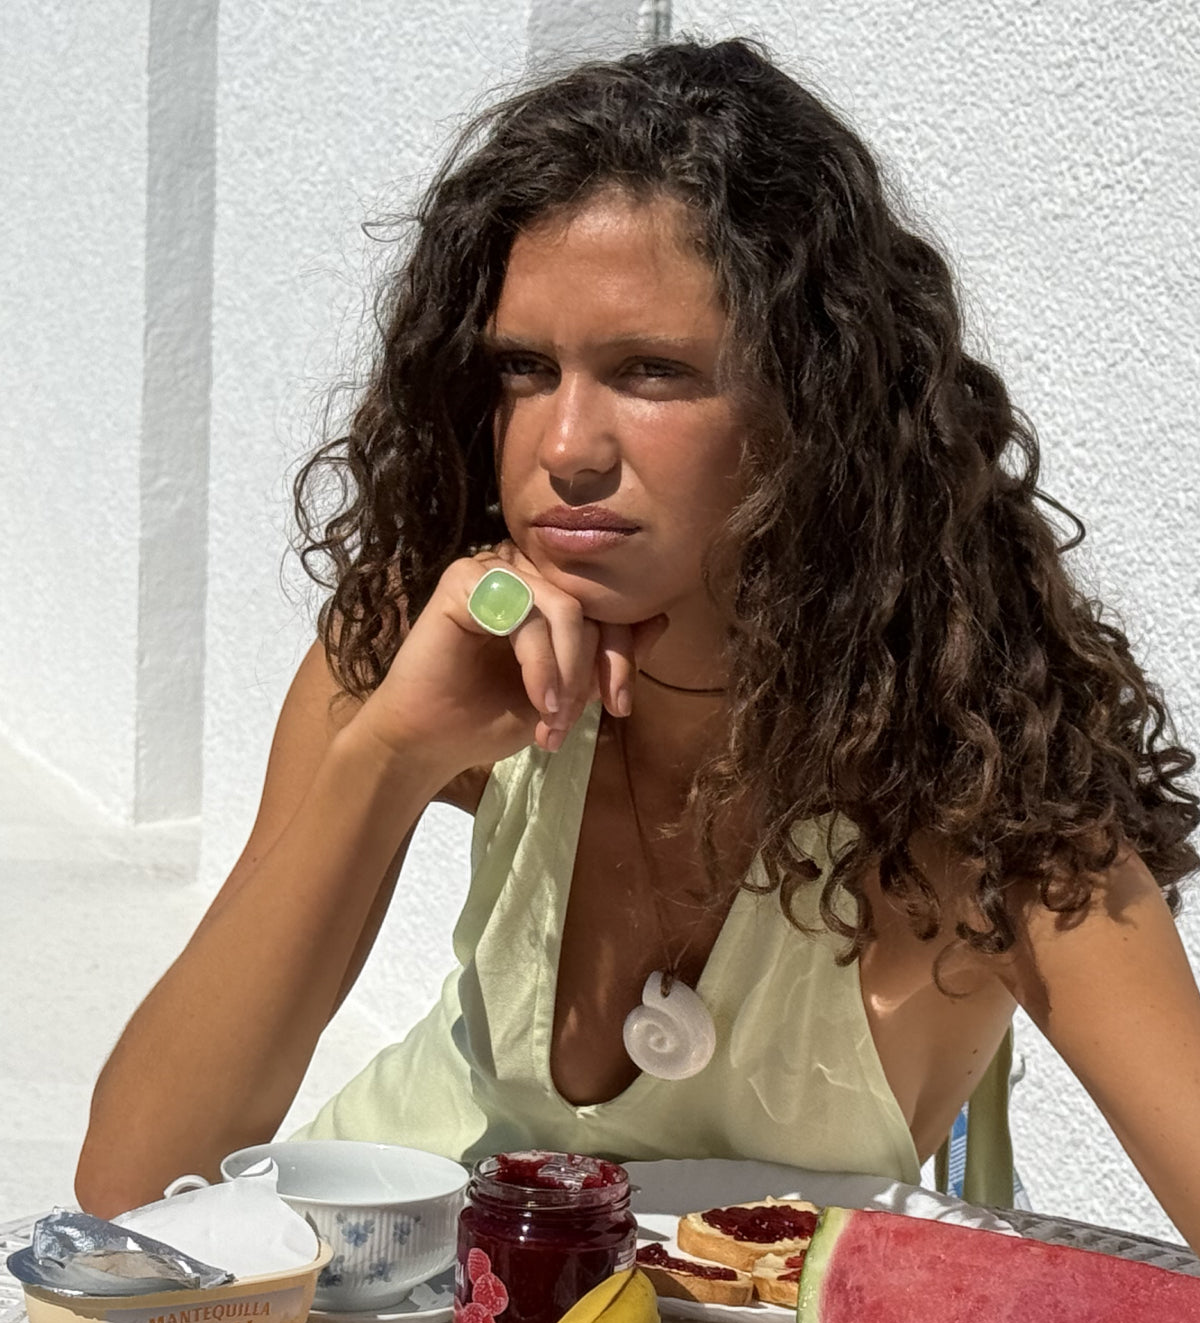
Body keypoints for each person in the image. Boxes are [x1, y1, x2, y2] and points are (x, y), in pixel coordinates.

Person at [76, 38, 1200, 1249]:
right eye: (524, 368)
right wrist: (394, 753)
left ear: (814, 405)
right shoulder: (417, 650)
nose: (565, 446)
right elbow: (132, 1185)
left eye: (651, 372)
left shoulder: (982, 779)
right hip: (389, 1311)